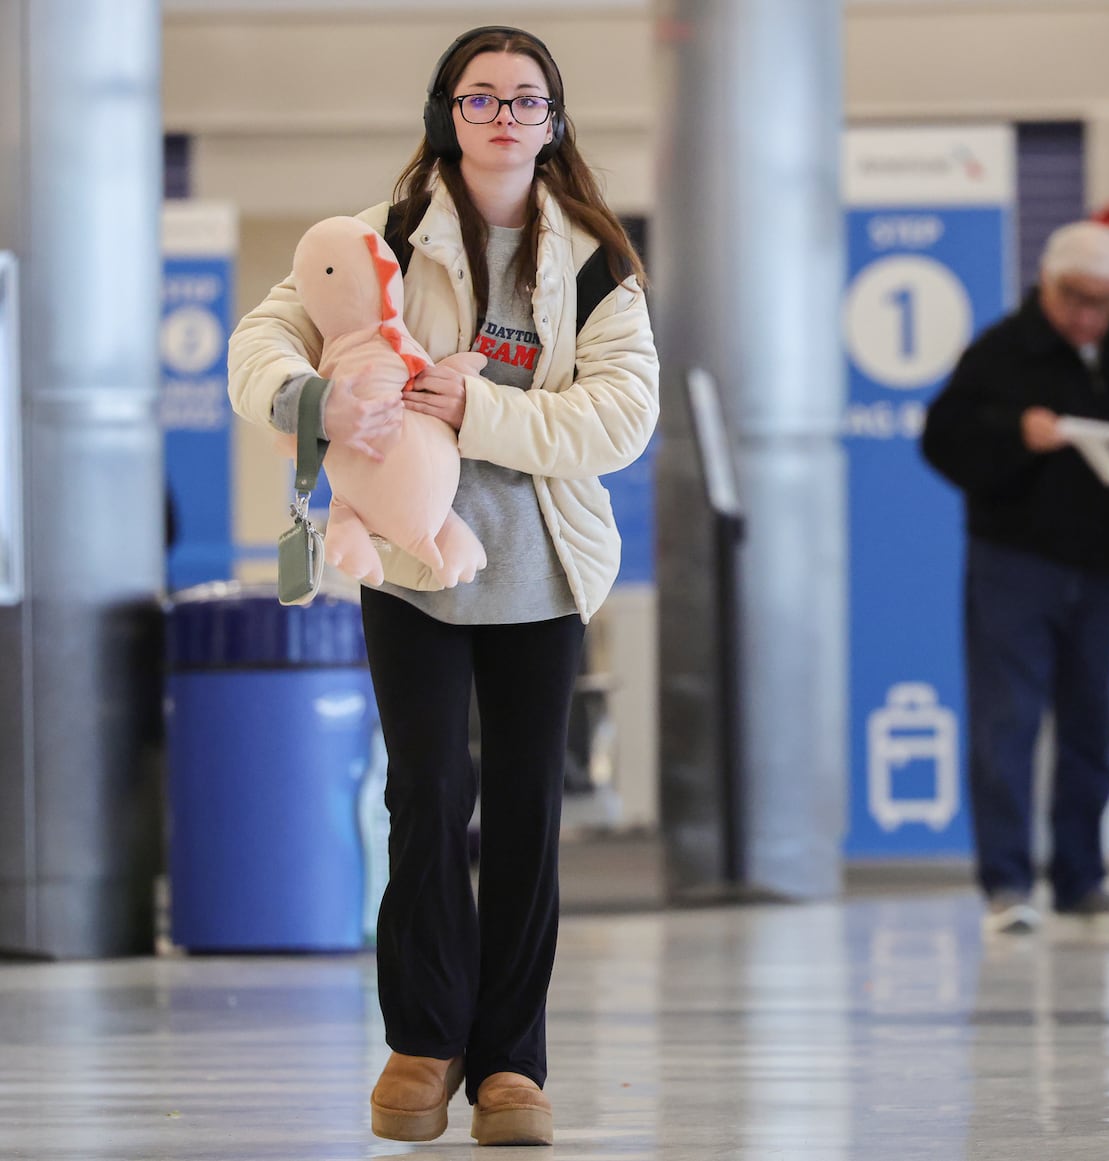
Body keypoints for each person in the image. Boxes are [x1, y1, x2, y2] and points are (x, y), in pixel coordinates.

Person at [227, 26, 658, 1146]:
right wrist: (311, 400)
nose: (504, 116)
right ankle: (422, 1041)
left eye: (525, 100)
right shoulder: (376, 237)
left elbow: (621, 416)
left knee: (525, 810)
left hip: (542, 574)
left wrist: (483, 412)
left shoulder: (598, 259)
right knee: (424, 798)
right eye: (481, 98)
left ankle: (511, 1065)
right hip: (408, 565)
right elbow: (265, 338)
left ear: (553, 122)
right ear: (447, 115)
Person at [921, 222, 1109, 936]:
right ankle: (1008, 881)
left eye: (1104, 301)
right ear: (1046, 286)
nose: (1088, 315)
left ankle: (1082, 878)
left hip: (1105, 570)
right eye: (1076, 297)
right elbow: (942, 439)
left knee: (1091, 727)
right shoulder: (1000, 352)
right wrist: (1015, 436)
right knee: (1007, 722)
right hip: (1014, 565)